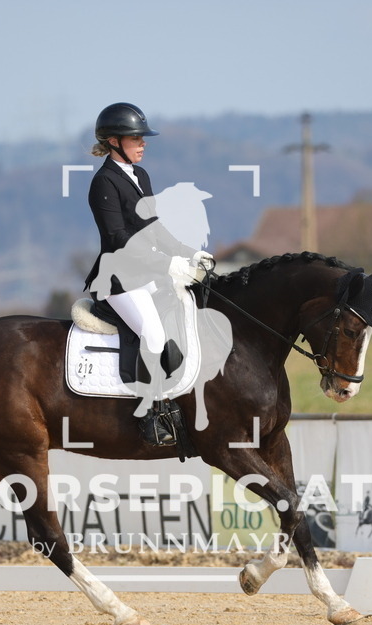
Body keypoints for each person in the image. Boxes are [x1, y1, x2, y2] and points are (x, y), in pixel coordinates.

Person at [84, 102, 210, 447]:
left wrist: (190, 252)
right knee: (153, 335)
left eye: (143, 137)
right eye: (135, 137)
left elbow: (155, 229)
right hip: (118, 280)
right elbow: (118, 240)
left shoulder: (140, 176)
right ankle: (149, 415)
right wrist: (165, 265)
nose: (143, 143)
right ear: (113, 141)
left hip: (148, 275)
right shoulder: (104, 183)